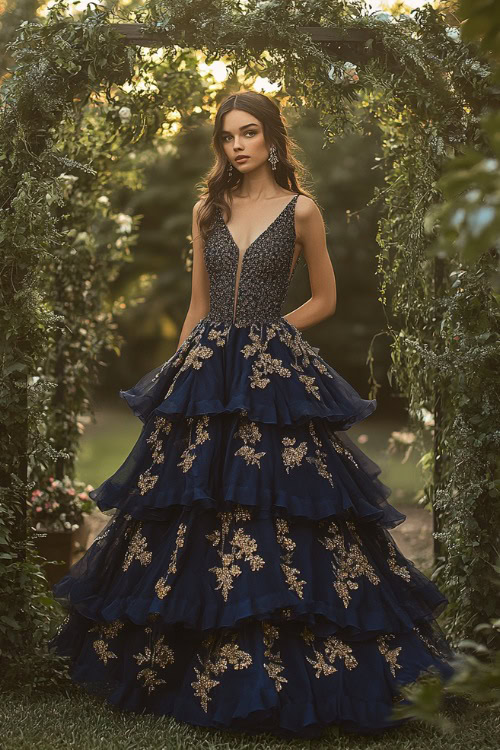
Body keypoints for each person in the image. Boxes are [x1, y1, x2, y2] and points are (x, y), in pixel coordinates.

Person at [49, 90, 456, 739]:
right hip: (207, 371)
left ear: (271, 139)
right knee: (198, 511)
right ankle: (195, 657)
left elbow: (325, 298)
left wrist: (270, 336)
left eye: (248, 133)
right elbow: (196, 305)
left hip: (269, 371)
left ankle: (286, 647)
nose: (237, 145)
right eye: (228, 136)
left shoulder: (303, 211)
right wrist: (174, 381)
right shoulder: (207, 208)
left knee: (283, 506)